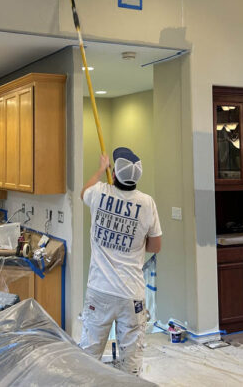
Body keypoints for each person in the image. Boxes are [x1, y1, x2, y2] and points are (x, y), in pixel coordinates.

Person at [79, 147, 162, 375]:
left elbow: (83, 192)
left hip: (100, 291)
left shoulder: (99, 192)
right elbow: (156, 246)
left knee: (89, 353)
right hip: (131, 294)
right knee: (131, 359)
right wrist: (132, 246)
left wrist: (100, 168)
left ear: (113, 174)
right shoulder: (147, 203)